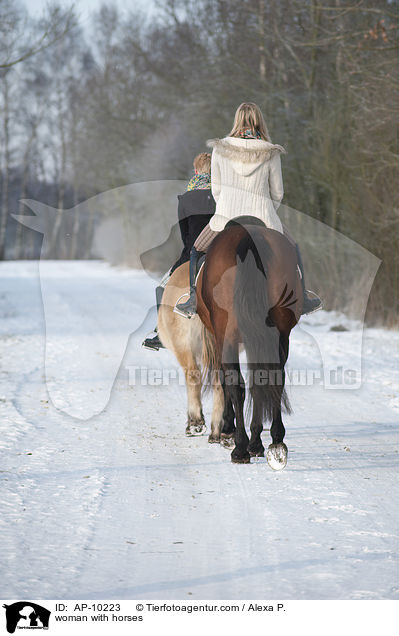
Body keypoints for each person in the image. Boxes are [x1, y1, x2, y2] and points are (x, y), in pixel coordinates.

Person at [175, 102, 322, 319]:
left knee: (196, 250)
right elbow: (278, 193)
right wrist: (266, 210)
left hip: (225, 218)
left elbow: (216, 191)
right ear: (259, 121)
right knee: (293, 248)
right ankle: (305, 299)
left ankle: (193, 298)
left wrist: (227, 206)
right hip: (264, 218)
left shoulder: (220, 149)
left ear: (236, 120)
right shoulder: (271, 152)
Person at [142, 152, 216, 351]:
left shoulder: (187, 198)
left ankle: (162, 333)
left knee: (162, 288)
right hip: (221, 249)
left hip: (194, 253)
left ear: (196, 171)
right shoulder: (223, 195)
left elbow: (186, 237)